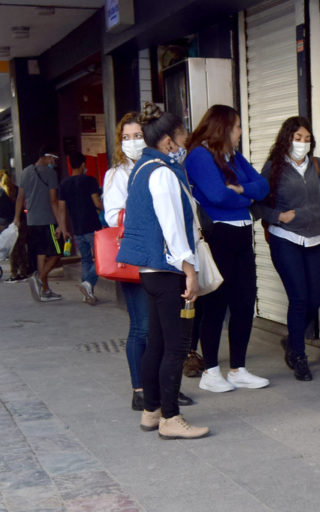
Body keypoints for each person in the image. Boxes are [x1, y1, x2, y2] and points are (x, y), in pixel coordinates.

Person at [116, 102, 208, 440]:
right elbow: (172, 228)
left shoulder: (141, 169)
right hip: (169, 270)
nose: (184, 143)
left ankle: (151, 411)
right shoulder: (163, 173)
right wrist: (190, 271)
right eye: (182, 136)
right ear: (168, 140)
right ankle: (171, 417)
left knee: (155, 343)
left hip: (149, 271)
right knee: (175, 346)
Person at [103, 112, 194, 411]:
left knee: (157, 336)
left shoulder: (152, 167)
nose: (133, 142)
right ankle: (149, 395)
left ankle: (158, 399)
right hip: (151, 258)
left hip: (151, 258)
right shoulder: (140, 172)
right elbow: (166, 223)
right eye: (126, 138)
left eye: (137, 136)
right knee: (153, 334)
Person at [185, 104, 270, 393]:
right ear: (223, 127)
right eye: (236, 127)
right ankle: (210, 371)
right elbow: (217, 195)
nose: (240, 133)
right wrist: (245, 198)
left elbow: (263, 185)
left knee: (245, 303)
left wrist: (243, 190)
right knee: (215, 305)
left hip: (243, 234)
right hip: (217, 235)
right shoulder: (200, 155)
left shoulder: (233, 157)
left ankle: (238, 368)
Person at [257, 116, 320, 382]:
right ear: (287, 138)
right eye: (298, 138)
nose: (302, 143)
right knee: (298, 298)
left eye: (307, 139)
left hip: (317, 239)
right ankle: (299, 355)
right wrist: (278, 217)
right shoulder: (274, 167)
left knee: (315, 299)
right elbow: (257, 205)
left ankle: (292, 338)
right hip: (285, 239)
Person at [13, 145, 69, 302]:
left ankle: (45, 290)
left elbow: (20, 197)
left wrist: (17, 217)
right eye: (54, 159)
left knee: (40, 254)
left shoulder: (25, 172)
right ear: (47, 157)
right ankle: (39, 277)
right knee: (57, 253)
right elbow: (53, 201)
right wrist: (61, 226)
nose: (54, 162)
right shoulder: (50, 173)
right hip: (47, 220)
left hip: (31, 221)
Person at [58, 151, 102, 304]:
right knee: (101, 258)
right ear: (83, 165)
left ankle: (87, 294)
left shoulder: (64, 184)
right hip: (92, 226)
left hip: (76, 228)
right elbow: (97, 203)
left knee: (85, 260)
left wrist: (64, 229)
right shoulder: (90, 181)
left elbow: (62, 209)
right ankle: (88, 283)